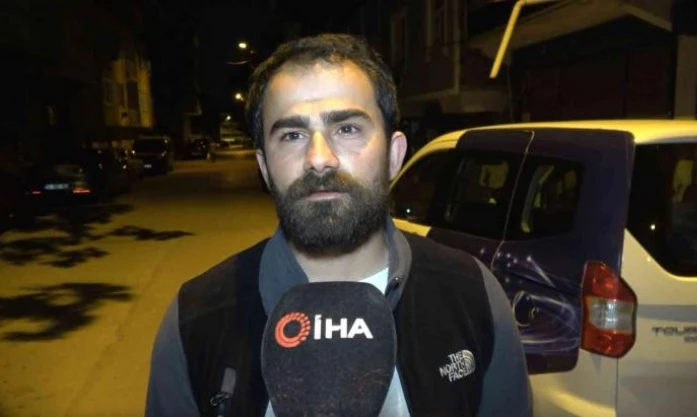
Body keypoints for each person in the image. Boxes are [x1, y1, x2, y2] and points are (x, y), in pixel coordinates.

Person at [145, 33, 532, 417]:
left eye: (347, 129)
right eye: (292, 135)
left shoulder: (473, 294)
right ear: (264, 168)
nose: (318, 158)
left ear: (394, 155)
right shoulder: (195, 319)